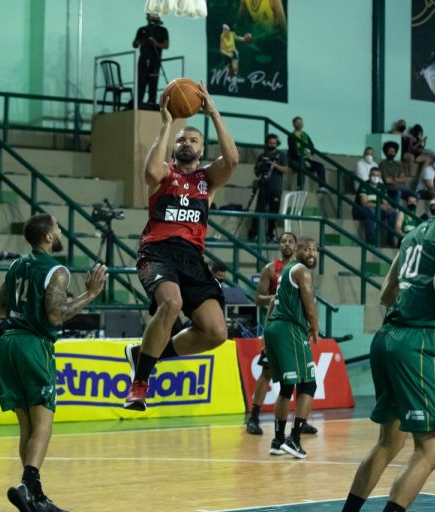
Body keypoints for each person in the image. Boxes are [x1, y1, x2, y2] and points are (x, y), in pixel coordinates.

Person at [341, 167, 435, 512]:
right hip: (416, 343)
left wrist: (427, 323)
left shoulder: (414, 233)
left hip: (388, 337)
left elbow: (387, 293)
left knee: (389, 443)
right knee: (431, 449)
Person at [123, 84, 238, 411]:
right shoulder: (164, 174)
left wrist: (213, 113)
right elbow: (149, 171)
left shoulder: (207, 179)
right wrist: (167, 123)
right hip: (157, 252)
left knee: (216, 332)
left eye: (193, 140)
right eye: (181, 140)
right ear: (174, 148)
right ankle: (140, 383)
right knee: (171, 303)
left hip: (192, 258)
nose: (186, 143)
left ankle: (145, 355)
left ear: (201, 150)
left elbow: (232, 159)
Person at [0, 213, 107, 512]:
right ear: (47, 237)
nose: (60, 233)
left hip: (8, 345)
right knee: (44, 424)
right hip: (34, 345)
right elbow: (57, 316)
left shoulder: (15, 265)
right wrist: (90, 294)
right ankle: (28, 485)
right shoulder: (56, 270)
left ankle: (35, 496)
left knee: (27, 427)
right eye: (57, 228)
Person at [246, 232, 316, 436]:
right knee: (268, 373)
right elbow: (259, 298)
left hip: (291, 329)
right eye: (283, 241)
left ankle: (296, 425)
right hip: (282, 325)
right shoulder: (272, 269)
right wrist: (279, 299)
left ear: (295, 246)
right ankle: (254, 417)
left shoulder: (299, 268)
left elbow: (308, 301)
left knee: (299, 378)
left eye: (290, 241)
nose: (286, 244)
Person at [263, 237, 319, 458]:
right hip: (289, 328)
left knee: (287, 388)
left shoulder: (286, 271)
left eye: (314, 249)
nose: (311, 253)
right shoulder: (301, 271)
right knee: (309, 384)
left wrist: (265, 334)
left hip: (274, 327)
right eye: (307, 249)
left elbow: (271, 303)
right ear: (297, 250)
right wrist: (314, 327)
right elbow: (310, 306)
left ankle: (278, 440)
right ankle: (294, 439)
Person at [248, 133, 289, 242]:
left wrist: (274, 165)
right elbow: (256, 173)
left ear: (277, 144)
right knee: (259, 210)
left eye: (274, 143)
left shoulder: (281, 155)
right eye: (270, 143)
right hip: (263, 186)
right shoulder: (262, 156)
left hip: (275, 187)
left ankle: (270, 234)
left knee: (273, 211)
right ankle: (253, 233)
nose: (271, 145)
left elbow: (285, 170)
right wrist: (261, 166)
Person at [132, 13, 169, 108]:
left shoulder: (162, 30)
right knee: (141, 82)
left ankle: (151, 104)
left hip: (155, 60)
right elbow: (135, 44)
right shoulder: (142, 30)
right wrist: (139, 42)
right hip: (143, 59)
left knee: (153, 82)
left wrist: (155, 43)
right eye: (151, 15)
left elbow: (166, 45)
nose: (153, 18)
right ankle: (138, 103)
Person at [353, 168, 396, 246]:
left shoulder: (381, 187)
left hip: (377, 211)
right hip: (360, 211)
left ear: (380, 177)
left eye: (377, 175)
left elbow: (385, 202)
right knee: (370, 210)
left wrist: (388, 207)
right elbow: (364, 203)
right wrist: (380, 206)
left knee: (392, 213)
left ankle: (389, 240)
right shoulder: (364, 185)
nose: (375, 177)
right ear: (369, 175)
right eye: (373, 175)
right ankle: (371, 240)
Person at [287, 116, 326, 189]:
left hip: (306, 159)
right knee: (302, 165)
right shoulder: (291, 136)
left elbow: (312, 147)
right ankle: (299, 186)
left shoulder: (305, 135)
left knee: (320, 166)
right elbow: (293, 151)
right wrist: (303, 160)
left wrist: (311, 155)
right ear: (294, 124)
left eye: (301, 122)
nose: (300, 124)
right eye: (298, 122)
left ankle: (322, 187)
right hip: (295, 159)